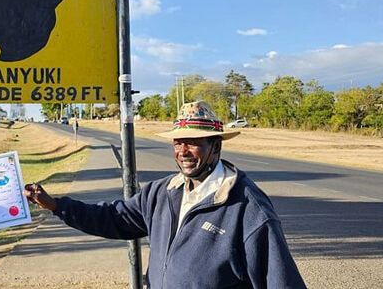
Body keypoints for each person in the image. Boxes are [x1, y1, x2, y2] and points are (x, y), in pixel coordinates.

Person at [24, 101, 305, 288]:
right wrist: (55, 205)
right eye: (178, 142)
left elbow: (281, 281)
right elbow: (113, 218)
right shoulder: (162, 192)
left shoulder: (247, 206)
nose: (183, 151)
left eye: (194, 143)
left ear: (216, 148)